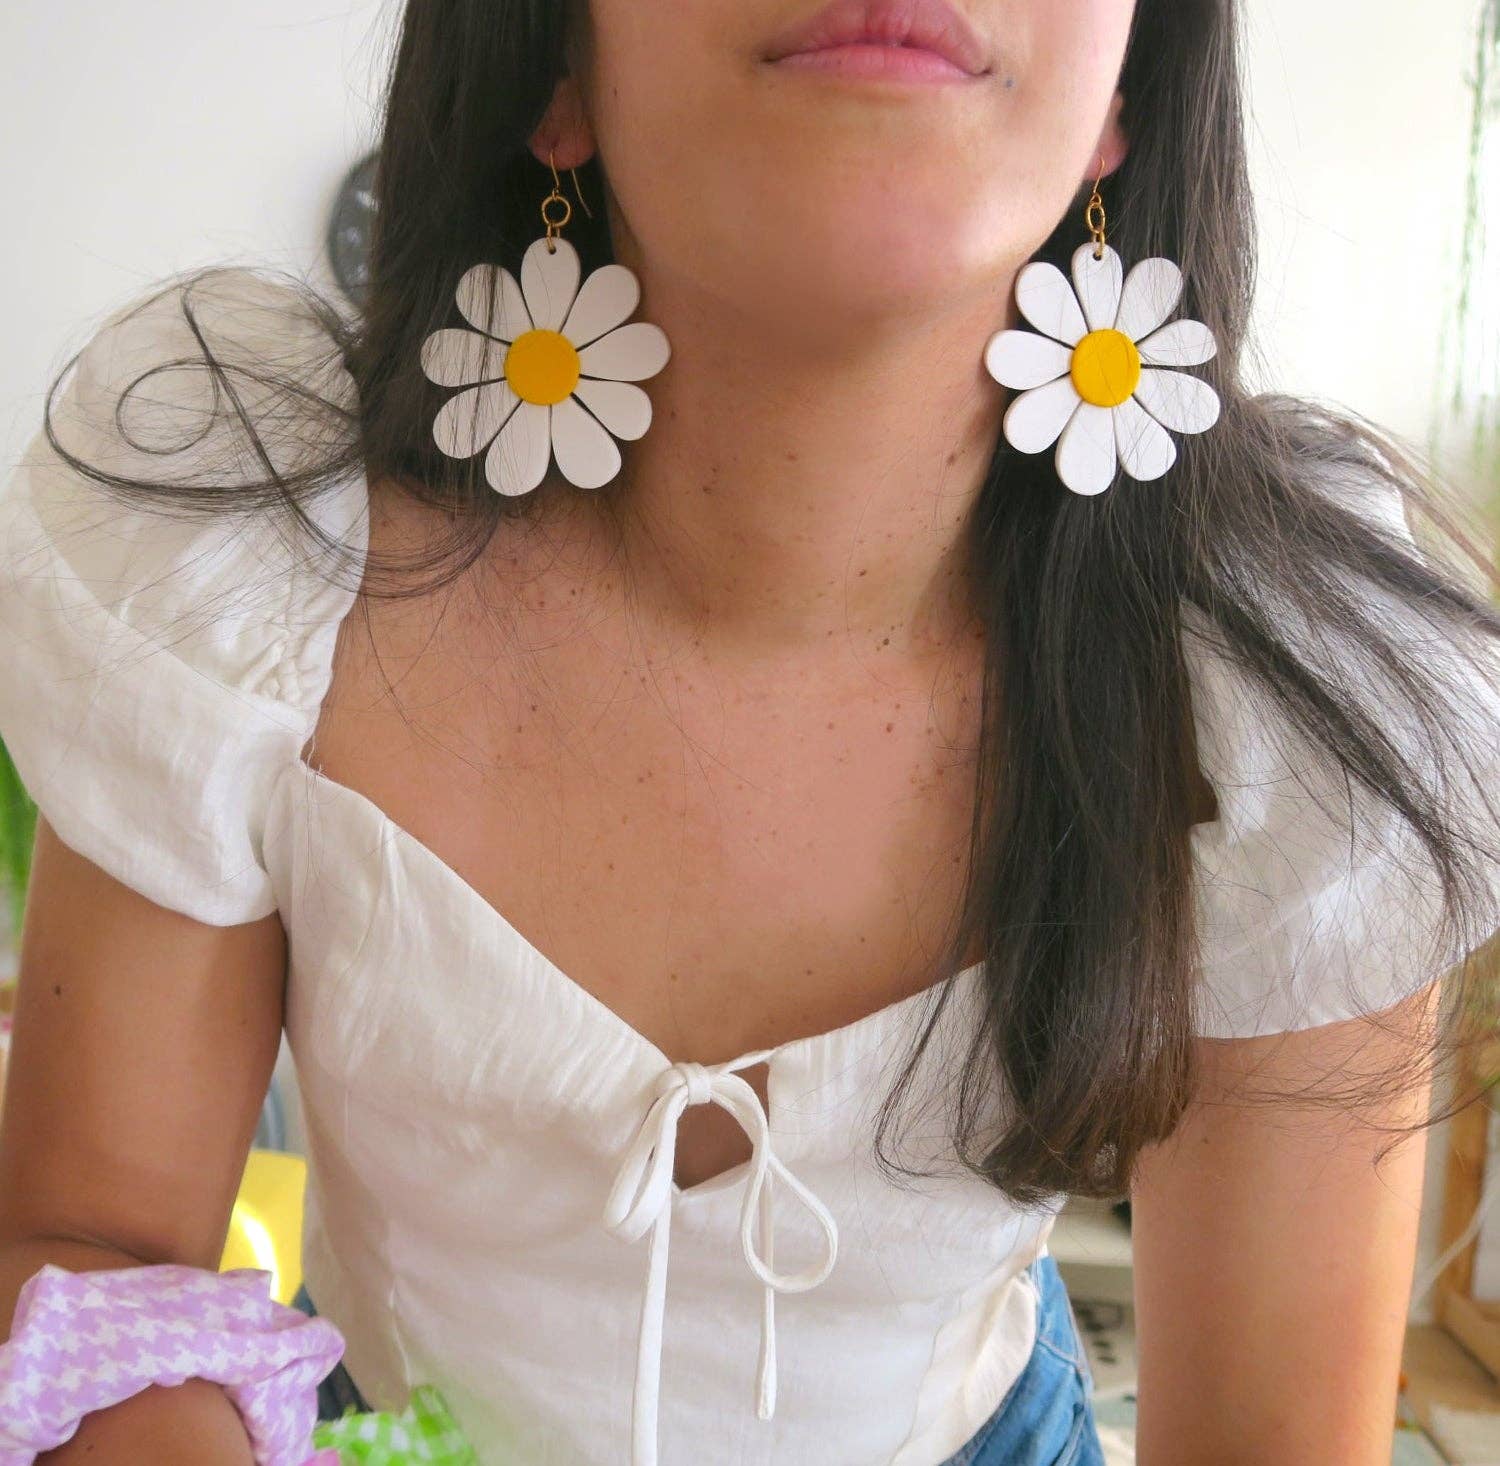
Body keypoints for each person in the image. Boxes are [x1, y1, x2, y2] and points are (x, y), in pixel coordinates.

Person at [1, 0, 1497, 1462]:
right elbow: (90, 1257)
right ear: (555, 61)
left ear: (1122, 95)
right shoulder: (243, 562)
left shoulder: (1292, 704)